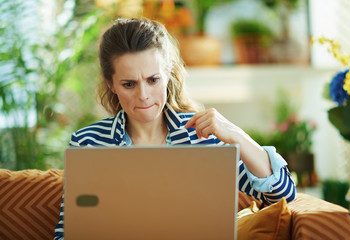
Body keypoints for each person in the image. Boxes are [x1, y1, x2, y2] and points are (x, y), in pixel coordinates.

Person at [54, 17, 296, 239]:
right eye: (129, 84)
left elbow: (282, 195)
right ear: (111, 84)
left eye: (153, 80)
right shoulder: (87, 143)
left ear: (168, 74)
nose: (143, 96)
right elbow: (67, 233)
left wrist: (237, 136)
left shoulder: (204, 138)